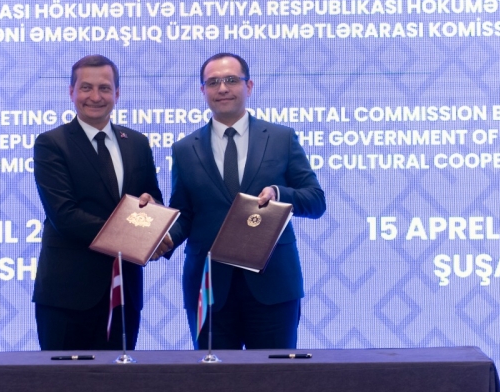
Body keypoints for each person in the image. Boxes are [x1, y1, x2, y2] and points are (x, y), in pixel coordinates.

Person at [167, 52, 326, 349]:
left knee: (274, 375)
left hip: (273, 284)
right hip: (208, 288)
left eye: (231, 80)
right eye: (213, 82)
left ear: (249, 86)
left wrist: (279, 193)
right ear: (202, 90)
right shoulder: (184, 149)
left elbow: (316, 200)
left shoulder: (281, 138)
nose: (222, 88)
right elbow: (184, 214)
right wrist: (162, 240)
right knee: (214, 377)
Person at [32, 54, 171, 350]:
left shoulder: (137, 143)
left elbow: (153, 197)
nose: (95, 97)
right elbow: (65, 216)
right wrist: (135, 235)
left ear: (117, 94)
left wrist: (153, 209)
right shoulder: (51, 143)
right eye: (86, 88)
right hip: (67, 295)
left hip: (124, 292)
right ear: (71, 92)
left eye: (105, 88)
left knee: (119, 379)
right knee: (64, 380)